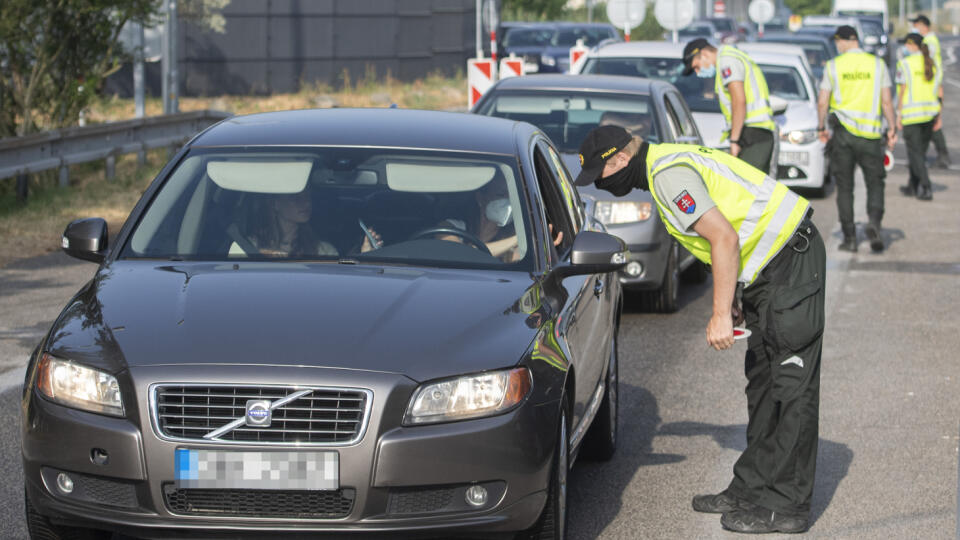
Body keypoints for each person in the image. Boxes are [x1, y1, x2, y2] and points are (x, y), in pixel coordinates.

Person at [574, 124, 825, 535]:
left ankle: (787, 506)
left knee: (791, 388)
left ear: (619, 161)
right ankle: (752, 487)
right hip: (768, 272)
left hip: (791, 264)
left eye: (599, 178)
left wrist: (720, 313)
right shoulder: (665, 165)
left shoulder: (667, 176)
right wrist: (737, 295)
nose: (602, 187)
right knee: (762, 384)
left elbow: (723, 239)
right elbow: (727, 238)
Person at [817, 25, 897, 253]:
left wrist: (821, 127)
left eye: (837, 43)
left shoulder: (833, 66)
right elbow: (887, 102)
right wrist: (891, 128)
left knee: (844, 187)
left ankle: (850, 238)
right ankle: (874, 223)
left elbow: (823, 101)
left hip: (843, 135)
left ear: (843, 41)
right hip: (871, 136)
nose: (837, 47)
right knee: (875, 183)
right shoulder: (877, 64)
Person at [681, 38, 776, 173]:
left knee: (748, 187)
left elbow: (739, 100)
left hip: (753, 133)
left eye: (696, 66)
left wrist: (734, 141)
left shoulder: (727, 61)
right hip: (753, 131)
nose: (697, 72)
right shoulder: (728, 58)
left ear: (704, 54)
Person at [235, 189, 380, 258]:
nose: (305, 203)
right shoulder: (247, 247)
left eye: (307, 197)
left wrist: (365, 257)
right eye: (295, 197)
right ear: (275, 204)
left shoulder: (323, 250)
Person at [896, 33, 941, 201]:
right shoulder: (931, 63)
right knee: (919, 153)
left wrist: (898, 114)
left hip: (912, 116)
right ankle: (912, 185)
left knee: (915, 154)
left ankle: (925, 186)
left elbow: (902, 91)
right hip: (929, 114)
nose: (905, 48)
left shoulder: (905, 64)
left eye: (907, 44)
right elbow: (938, 90)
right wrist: (938, 115)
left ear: (911, 45)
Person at [911, 14, 950, 168]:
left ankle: (942, 154)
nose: (915, 28)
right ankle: (935, 154)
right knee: (931, 119)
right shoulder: (930, 40)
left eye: (916, 25)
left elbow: (930, 64)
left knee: (932, 120)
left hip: (931, 84)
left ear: (923, 26)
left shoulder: (929, 42)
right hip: (931, 83)